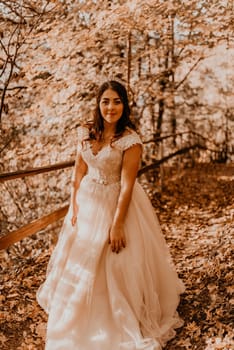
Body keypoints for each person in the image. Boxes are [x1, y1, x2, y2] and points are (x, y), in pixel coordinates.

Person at [37, 80, 185, 350]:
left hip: (117, 204)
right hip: (87, 202)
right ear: (98, 103)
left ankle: (114, 318)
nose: (111, 107)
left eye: (117, 101)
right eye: (106, 101)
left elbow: (128, 185)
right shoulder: (85, 133)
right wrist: (73, 205)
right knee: (79, 262)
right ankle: (74, 315)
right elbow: (78, 171)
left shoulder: (130, 140)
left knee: (115, 265)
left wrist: (116, 225)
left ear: (124, 105)